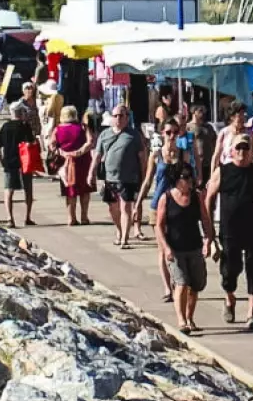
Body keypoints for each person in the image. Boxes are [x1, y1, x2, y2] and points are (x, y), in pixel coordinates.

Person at [204, 132, 253, 329]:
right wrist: (209, 231)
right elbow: (209, 198)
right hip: (229, 228)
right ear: (231, 151)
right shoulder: (223, 171)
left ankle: (252, 313)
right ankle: (230, 298)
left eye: (246, 148)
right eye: (238, 148)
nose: (242, 152)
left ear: (252, 152)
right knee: (230, 269)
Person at [155, 161, 215, 335]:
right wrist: (166, 248)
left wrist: (208, 240)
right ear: (176, 180)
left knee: (196, 284)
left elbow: (204, 219)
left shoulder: (197, 196)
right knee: (181, 283)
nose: (190, 181)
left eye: (191, 176)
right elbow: (159, 225)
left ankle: (190, 318)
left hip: (194, 246)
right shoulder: (166, 198)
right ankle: (181, 320)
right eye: (185, 177)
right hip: (175, 248)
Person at [137, 117, 193, 301]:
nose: (171, 136)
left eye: (175, 133)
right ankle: (168, 288)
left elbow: (189, 179)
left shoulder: (183, 154)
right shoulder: (156, 155)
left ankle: (179, 282)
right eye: (168, 132)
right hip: (158, 205)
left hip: (178, 205)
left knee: (179, 245)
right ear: (162, 134)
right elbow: (147, 181)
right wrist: (138, 204)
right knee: (162, 248)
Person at [89, 104, 147, 249]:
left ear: (127, 118)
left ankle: (124, 239)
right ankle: (119, 231)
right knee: (112, 208)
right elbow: (97, 155)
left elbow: (142, 157)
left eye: (121, 116)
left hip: (128, 178)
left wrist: (144, 176)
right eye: (115, 116)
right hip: (109, 178)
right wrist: (91, 172)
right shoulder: (105, 134)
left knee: (125, 208)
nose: (118, 119)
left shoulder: (133, 135)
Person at [49, 105, 95, 226]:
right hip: (83, 161)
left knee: (70, 191)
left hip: (66, 163)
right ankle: (84, 217)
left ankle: (71, 218)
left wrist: (63, 153)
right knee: (85, 190)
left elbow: (52, 145)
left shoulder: (57, 129)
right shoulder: (83, 127)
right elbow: (90, 142)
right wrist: (79, 152)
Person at [0, 101, 36, 228]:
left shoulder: (5, 127)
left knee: (8, 191)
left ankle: (10, 218)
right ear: (21, 113)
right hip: (24, 162)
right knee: (28, 189)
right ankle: (27, 217)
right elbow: (32, 142)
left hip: (9, 161)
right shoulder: (25, 126)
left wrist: (1, 158)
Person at [211, 101, 253, 172]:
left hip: (244, 170)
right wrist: (212, 176)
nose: (243, 116)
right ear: (232, 117)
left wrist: (246, 153)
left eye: (244, 113)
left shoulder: (249, 133)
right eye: (240, 114)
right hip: (227, 171)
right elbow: (216, 155)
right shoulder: (224, 132)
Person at [187, 105, 216, 190]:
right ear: (193, 112)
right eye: (200, 110)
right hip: (196, 164)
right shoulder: (188, 127)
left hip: (208, 162)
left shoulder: (208, 127)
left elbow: (214, 140)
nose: (202, 113)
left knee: (208, 188)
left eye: (203, 111)